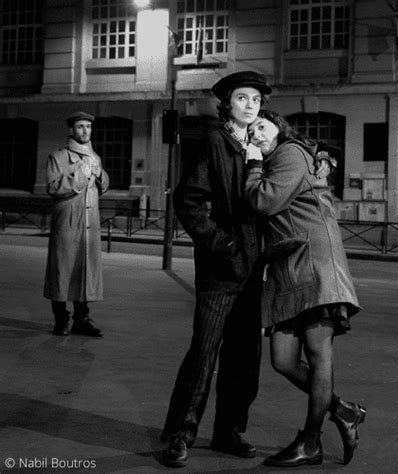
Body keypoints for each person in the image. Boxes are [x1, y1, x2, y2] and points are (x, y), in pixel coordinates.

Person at [160, 71, 272, 468]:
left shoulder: (260, 145)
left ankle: (229, 431)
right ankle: (178, 435)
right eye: (243, 98)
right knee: (203, 352)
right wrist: (220, 244)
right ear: (227, 103)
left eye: (256, 100)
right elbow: (188, 201)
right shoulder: (214, 141)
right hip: (221, 267)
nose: (250, 106)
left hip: (253, 267)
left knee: (245, 355)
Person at [245, 110, 366, 467]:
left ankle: (311, 441)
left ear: (279, 128)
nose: (255, 133)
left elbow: (262, 201)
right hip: (288, 267)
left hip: (315, 264)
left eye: (262, 126)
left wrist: (252, 164)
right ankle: (343, 409)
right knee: (282, 360)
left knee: (318, 355)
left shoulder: (290, 153)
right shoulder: (282, 158)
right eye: (250, 130)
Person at [44, 111, 109, 338]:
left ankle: (82, 319)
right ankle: (61, 319)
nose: (85, 131)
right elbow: (53, 188)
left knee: (85, 271)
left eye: (88, 127)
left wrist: (100, 173)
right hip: (67, 223)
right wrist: (80, 174)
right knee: (62, 271)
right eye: (80, 127)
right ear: (71, 130)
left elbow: (103, 185)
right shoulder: (58, 157)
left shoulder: (95, 157)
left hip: (89, 226)